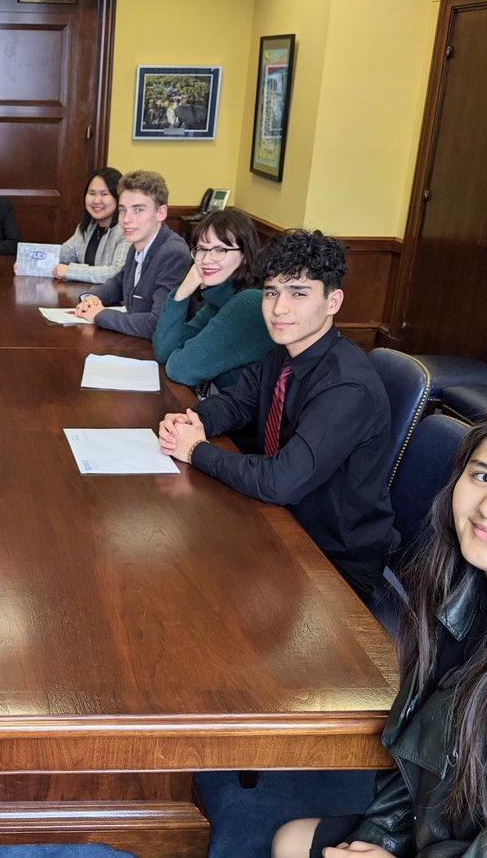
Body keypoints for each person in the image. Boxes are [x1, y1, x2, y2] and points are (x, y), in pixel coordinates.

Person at [273, 392, 487, 858]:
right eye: (483, 476)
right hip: (445, 829)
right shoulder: (470, 591)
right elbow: (420, 755)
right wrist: (379, 838)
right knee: (290, 840)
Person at [157, 229, 397, 600]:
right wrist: (196, 420)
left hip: (330, 558)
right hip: (279, 519)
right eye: (272, 292)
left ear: (333, 301)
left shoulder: (347, 387)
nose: (279, 308)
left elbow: (281, 481)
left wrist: (195, 450)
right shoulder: (285, 355)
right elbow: (238, 401)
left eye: (298, 293)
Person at [152, 207, 274, 394]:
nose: (206, 259)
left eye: (220, 250)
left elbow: (180, 369)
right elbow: (164, 350)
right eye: (201, 249)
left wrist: (184, 353)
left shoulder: (249, 303)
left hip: (244, 421)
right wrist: (182, 292)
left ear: (244, 257)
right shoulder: (218, 300)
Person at [72, 170, 190, 340]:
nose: (126, 219)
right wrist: (92, 297)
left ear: (161, 213)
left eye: (138, 210)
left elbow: (157, 324)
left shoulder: (173, 254)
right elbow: (120, 282)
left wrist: (100, 315)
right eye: (122, 210)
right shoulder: (138, 244)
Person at [52, 166, 128, 284]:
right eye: (92, 193)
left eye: (104, 194)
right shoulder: (87, 227)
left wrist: (71, 271)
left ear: (118, 198)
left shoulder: (126, 230)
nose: (97, 201)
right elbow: (61, 254)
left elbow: (117, 272)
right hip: (87, 296)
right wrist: (27, 261)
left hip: (112, 300)